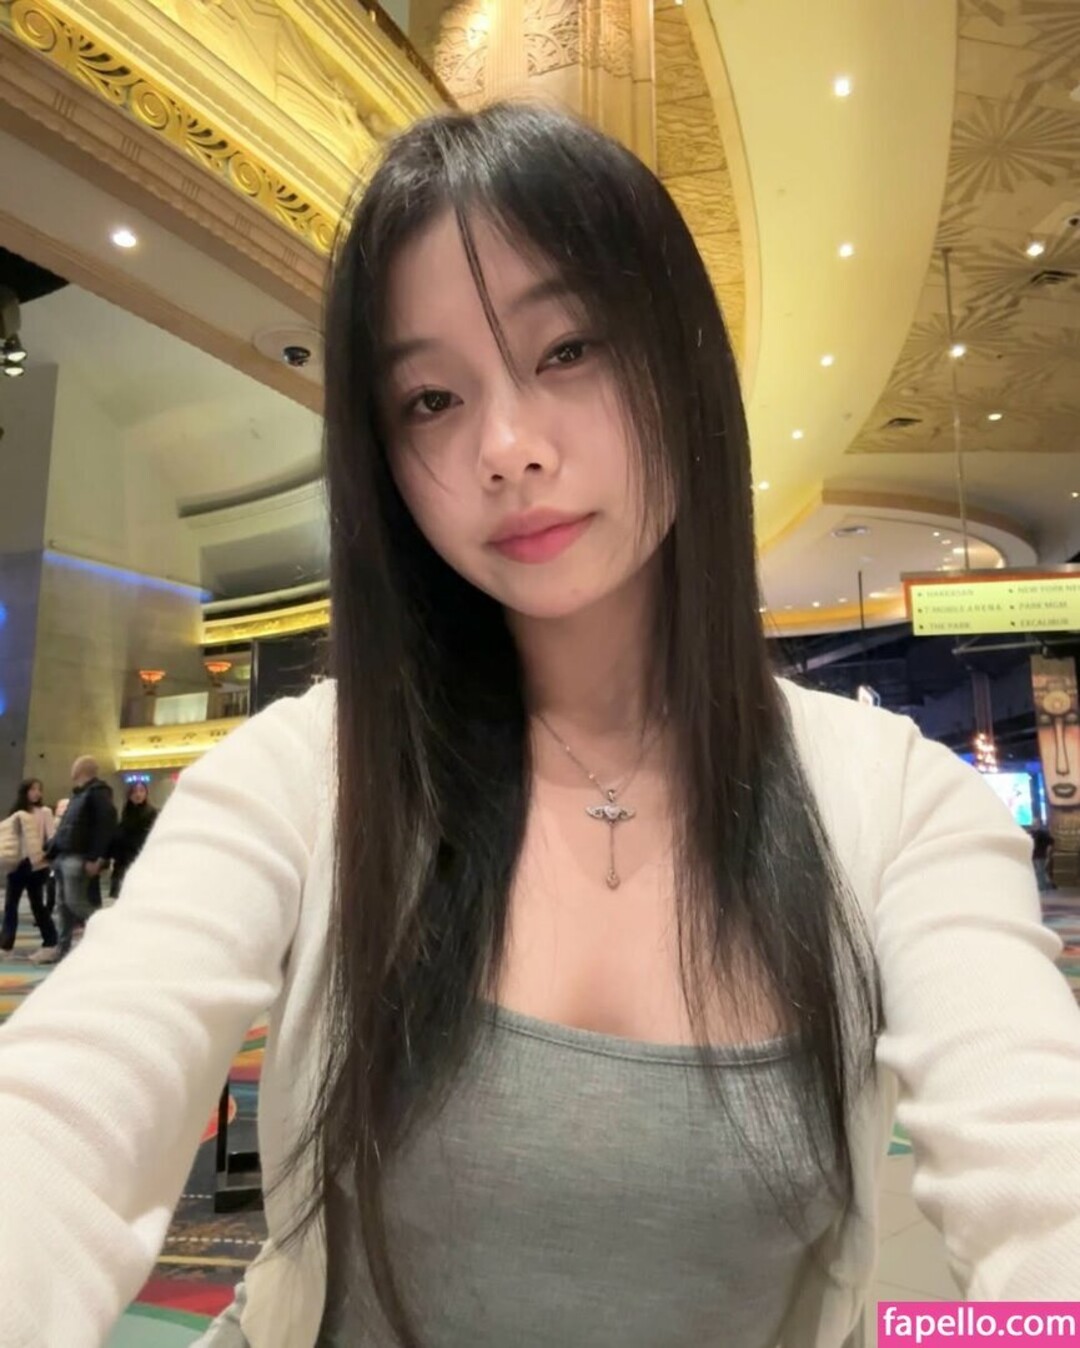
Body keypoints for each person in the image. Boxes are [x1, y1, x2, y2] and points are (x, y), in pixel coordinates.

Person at [1, 103, 1080, 1348]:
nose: (505, 449)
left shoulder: (894, 804)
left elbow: (1040, 1169)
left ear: (682, 359)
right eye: (430, 398)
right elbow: (62, 1122)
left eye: (567, 349)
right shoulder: (308, 776)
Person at [48, 755, 117, 962]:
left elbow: (106, 827)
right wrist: (50, 851)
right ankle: (62, 949)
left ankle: (113, 935)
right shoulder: (79, 794)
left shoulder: (97, 793)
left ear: (80, 770)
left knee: (76, 904)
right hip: (65, 856)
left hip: (78, 857)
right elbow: (67, 828)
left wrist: (97, 858)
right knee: (63, 906)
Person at [0, 779, 59, 963]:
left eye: (39, 789)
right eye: (33, 789)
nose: (36, 793)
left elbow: (52, 837)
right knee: (11, 905)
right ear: (25, 791)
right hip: (17, 864)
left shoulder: (45, 812)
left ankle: (50, 942)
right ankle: (5, 946)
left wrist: (46, 857)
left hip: (37, 864)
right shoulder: (16, 813)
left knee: (37, 905)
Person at [108, 782, 158, 898]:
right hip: (124, 860)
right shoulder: (126, 813)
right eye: (134, 791)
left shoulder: (151, 813)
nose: (138, 794)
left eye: (141, 791)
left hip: (142, 858)